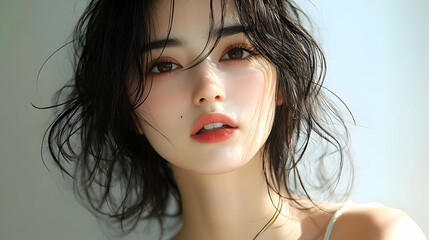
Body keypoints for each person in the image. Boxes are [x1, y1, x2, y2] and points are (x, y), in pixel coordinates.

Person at [44, 0, 426, 239]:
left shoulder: (376, 236)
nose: (208, 88)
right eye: (164, 65)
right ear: (128, 109)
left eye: (237, 52)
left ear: (282, 81)